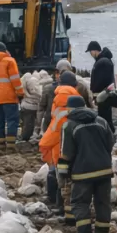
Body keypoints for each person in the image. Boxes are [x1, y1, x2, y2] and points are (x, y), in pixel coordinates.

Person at [59, 95, 114, 233]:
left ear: (70, 108)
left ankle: (84, 232)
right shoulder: (101, 120)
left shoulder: (69, 125)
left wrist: (63, 173)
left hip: (82, 173)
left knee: (80, 202)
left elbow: (66, 153)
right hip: (104, 170)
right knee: (103, 202)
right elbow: (110, 143)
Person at [39, 70, 82, 224]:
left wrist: (45, 151)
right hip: (77, 153)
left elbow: (51, 134)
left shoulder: (58, 104)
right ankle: (69, 211)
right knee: (74, 183)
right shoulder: (78, 102)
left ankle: (66, 213)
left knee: (64, 183)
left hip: (60, 152)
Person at [39, 59, 92, 134]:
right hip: (72, 126)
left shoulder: (49, 88)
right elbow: (89, 104)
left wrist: (38, 128)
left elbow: (41, 109)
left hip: (55, 126)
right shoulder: (80, 86)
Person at [86, 41, 116, 125]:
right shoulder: (105, 60)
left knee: (104, 119)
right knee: (105, 118)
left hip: (103, 95)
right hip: (105, 94)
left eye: (90, 51)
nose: (91, 54)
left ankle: (108, 134)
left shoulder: (102, 62)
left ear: (95, 50)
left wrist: (94, 92)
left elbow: (101, 80)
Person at [18, 69, 50, 143]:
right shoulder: (34, 81)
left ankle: (26, 137)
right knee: (30, 124)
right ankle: (26, 138)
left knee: (27, 124)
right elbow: (38, 93)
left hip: (26, 105)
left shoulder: (28, 79)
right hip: (31, 106)